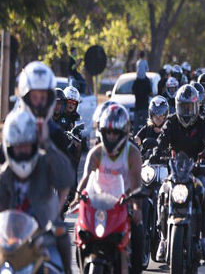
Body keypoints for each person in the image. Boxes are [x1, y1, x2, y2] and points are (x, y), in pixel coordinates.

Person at [0, 110, 75, 274]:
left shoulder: (44, 164)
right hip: (8, 245)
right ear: (8, 148)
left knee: (58, 258)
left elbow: (67, 177)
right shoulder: (4, 176)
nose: (23, 151)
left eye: (27, 146)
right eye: (18, 147)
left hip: (43, 238)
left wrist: (47, 143)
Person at [73, 104, 143, 274]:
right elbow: (86, 177)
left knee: (138, 227)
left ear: (124, 133)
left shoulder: (132, 154)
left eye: (115, 133)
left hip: (122, 202)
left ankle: (134, 268)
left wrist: (136, 208)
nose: (111, 137)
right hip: (97, 201)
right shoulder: (96, 153)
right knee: (79, 227)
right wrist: (77, 198)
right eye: (108, 132)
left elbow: (135, 184)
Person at [153, 85, 205, 264]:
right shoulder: (172, 121)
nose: (187, 111)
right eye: (183, 107)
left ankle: (204, 240)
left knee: (204, 191)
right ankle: (164, 240)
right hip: (175, 171)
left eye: (190, 107)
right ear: (177, 106)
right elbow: (162, 138)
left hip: (197, 170)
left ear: (197, 107)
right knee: (162, 193)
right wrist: (156, 152)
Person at [132, 64, 152, 133]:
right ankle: (144, 135)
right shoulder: (147, 82)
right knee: (144, 124)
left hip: (138, 106)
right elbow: (150, 91)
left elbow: (133, 90)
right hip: (144, 106)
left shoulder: (136, 82)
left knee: (137, 125)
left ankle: (136, 136)